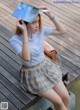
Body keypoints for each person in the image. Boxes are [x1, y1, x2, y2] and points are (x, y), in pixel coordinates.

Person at [9, 3, 70, 110]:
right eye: (33, 23)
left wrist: (50, 15)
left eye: (37, 21)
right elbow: (26, 57)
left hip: (46, 67)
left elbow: (62, 31)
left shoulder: (39, 31)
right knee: (59, 101)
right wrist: (24, 33)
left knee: (65, 96)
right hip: (32, 74)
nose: (37, 25)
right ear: (23, 23)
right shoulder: (15, 40)